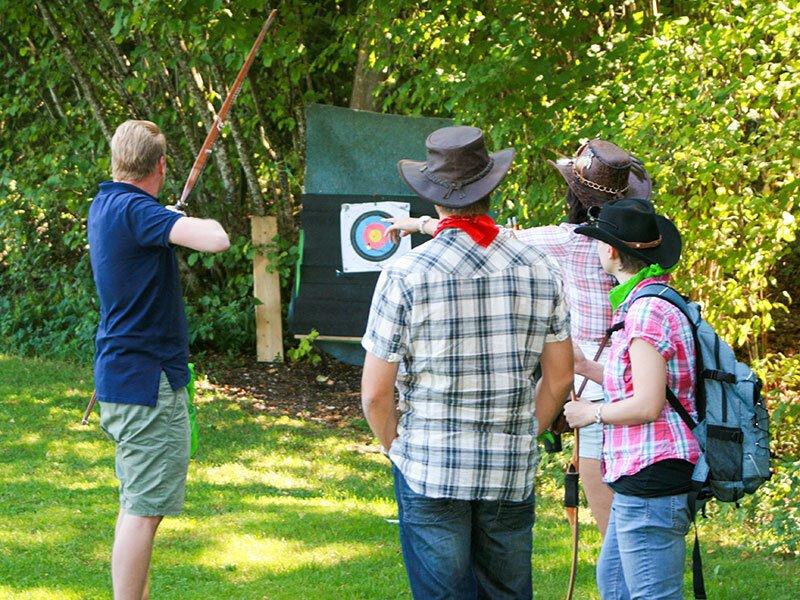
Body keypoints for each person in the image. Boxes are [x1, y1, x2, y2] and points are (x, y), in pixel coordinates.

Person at [386, 139, 652, 536]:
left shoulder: (561, 240)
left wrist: (420, 225)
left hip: (599, 395)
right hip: (644, 386)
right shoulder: (645, 241)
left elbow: (479, 235)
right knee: (639, 525)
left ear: (573, 195)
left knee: (617, 534)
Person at [361, 125, 574, 599]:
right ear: (491, 188)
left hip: (430, 466)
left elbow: (375, 393)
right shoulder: (540, 266)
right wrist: (523, 432)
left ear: (434, 198)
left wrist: (398, 449)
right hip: (508, 466)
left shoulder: (405, 272)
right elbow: (559, 379)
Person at [88, 120, 230, 600]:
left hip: (127, 376)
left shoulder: (108, 202)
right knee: (144, 510)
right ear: (162, 166)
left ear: (117, 160)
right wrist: (173, 220)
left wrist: (162, 217)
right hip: (145, 382)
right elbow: (217, 239)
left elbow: (145, 228)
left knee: (139, 504)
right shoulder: (137, 211)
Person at [563, 198, 701, 599]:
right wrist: (588, 367)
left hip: (652, 473)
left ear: (609, 250)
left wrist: (591, 413)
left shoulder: (646, 312)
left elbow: (646, 403)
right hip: (636, 474)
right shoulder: (652, 299)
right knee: (616, 584)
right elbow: (643, 383)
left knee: (649, 594)